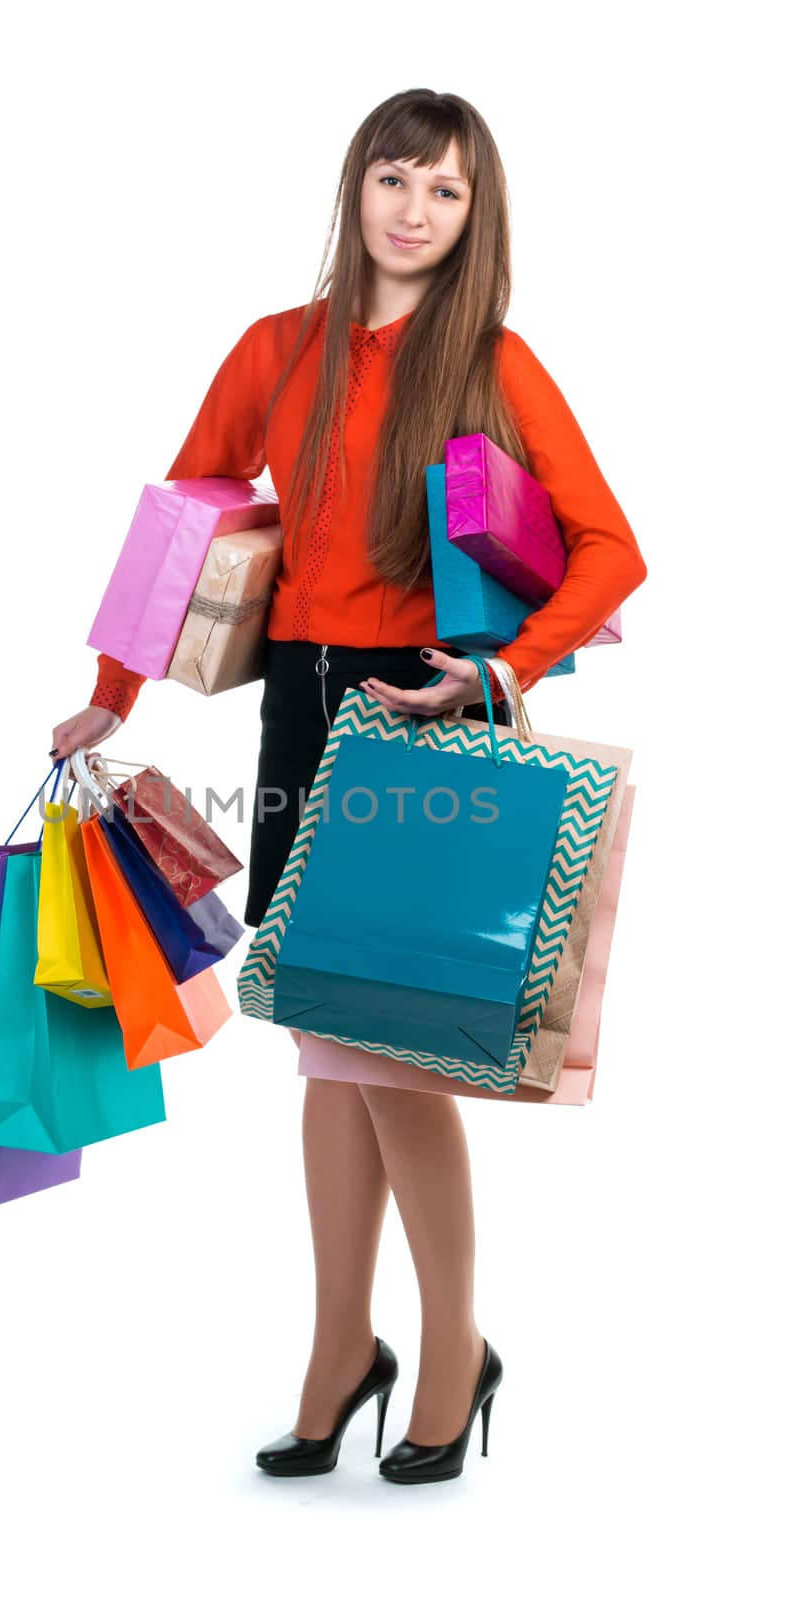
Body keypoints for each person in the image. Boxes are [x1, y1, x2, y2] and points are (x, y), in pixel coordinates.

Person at [50, 88, 648, 1485]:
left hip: (419, 713)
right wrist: (112, 694)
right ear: (356, 185)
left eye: (444, 191)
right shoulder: (279, 347)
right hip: (303, 703)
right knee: (324, 1041)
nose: (414, 211)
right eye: (395, 179)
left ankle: (451, 1347)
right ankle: (339, 1347)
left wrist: (504, 677)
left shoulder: (493, 362)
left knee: (390, 1046)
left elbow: (612, 547)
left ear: (472, 213)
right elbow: (185, 525)